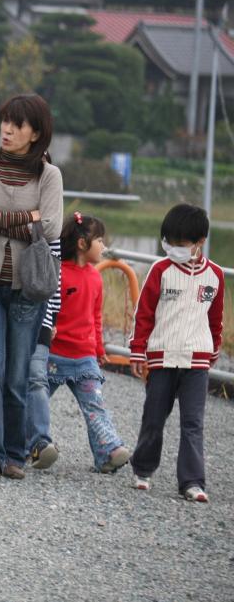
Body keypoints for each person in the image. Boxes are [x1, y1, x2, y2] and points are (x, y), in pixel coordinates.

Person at [0, 94, 63, 480]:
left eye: (17, 125)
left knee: (16, 376)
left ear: (35, 133)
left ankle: (15, 451)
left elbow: (50, 226)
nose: (7, 129)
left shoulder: (49, 176)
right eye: (5, 122)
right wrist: (27, 217)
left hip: (27, 288)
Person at [129, 203, 224, 503]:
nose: (172, 248)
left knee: (193, 423)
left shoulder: (216, 276)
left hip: (197, 360)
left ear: (199, 243)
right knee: (154, 417)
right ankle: (143, 469)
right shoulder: (160, 271)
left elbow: (216, 319)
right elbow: (143, 314)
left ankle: (192, 482)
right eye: (168, 242)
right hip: (161, 356)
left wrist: (214, 349)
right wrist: (136, 351)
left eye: (180, 244)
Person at [24, 212, 131, 474]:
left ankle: (108, 451)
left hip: (85, 357)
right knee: (32, 400)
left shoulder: (96, 277)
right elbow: (46, 307)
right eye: (99, 240)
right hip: (54, 356)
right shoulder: (57, 272)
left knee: (94, 405)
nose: (104, 246)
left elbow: (95, 316)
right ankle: (26, 445)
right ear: (82, 243)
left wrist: (99, 348)